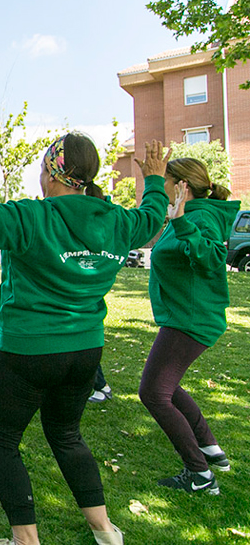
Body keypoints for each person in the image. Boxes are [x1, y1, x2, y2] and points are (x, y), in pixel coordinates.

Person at [0, 125, 169, 545]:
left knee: (0, 437)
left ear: (52, 174)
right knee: (67, 434)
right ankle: (105, 531)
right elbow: (151, 219)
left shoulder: (33, 217)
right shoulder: (117, 221)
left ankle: (25, 540)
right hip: (86, 350)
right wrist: (156, 179)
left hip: (28, 351)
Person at [139, 155, 238, 495]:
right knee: (168, 386)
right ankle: (211, 449)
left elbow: (212, 259)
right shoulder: (189, 214)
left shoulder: (202, 216)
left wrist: (180, 221)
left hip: (190, 321)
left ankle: (199, 474)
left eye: (163, 180)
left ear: (181, 185)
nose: (159, 186)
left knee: (153, 392)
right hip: (184, 316)